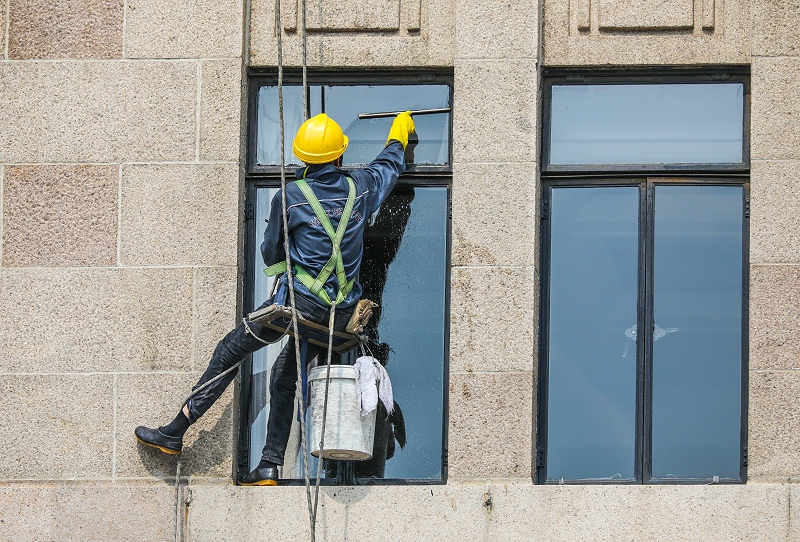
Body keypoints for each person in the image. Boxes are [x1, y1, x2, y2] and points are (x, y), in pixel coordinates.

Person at [135, 111, 415, 486]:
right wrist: (400, 130)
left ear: (303, 159)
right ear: (339, 156)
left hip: (298, 308)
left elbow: (271, 253)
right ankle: (269, 465)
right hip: (341, 316)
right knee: (285, 376)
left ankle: (175, 430)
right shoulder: (360, 187)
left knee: (230, 351)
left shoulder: (290, 197)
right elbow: (388, 166)